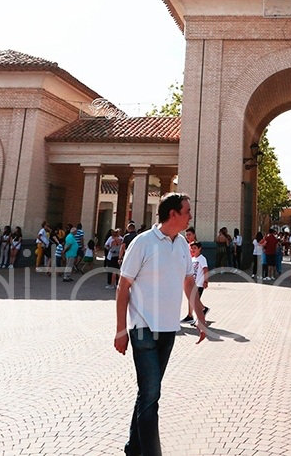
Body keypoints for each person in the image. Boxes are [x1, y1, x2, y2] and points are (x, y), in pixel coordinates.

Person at [114, 193, 207, 456]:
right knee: (151, 395)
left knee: (148, 394)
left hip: (168, 330)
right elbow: (123, 288)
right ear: (173, 214)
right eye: (187, 211)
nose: (190, 215)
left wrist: (200, 317)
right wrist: (121, 330)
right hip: (142, 328)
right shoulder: (142, 242)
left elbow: (189, 282)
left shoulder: (180, 245)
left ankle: (133, 449)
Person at [183, 241, 210, 323]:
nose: (193, 250)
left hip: (199, 283)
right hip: (193, 283)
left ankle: (200, 317)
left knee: (195, 301)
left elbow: (205, 269)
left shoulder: (202, 258)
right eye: (192, 248)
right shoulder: (193, 259)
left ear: (199, 249)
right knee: (193, 300)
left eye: (195, 248)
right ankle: (202, 310)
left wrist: (206, 281)